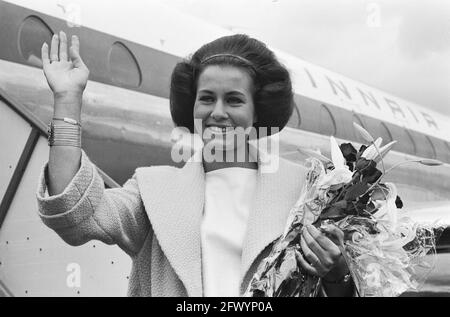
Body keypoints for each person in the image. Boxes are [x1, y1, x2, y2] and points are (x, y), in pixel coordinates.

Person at [36, 31, 354, 297]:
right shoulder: (152, 190)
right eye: (206, 98)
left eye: (234, 99)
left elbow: (346, 288)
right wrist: (67, 99)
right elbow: (75, 216)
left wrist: (337, 273)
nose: (217, 112)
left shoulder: (307, 190)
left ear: (257, 112)